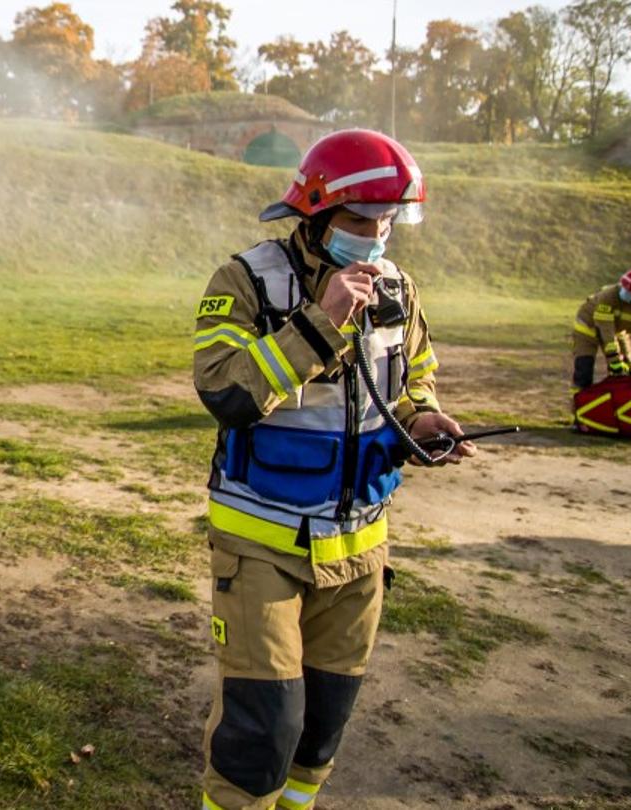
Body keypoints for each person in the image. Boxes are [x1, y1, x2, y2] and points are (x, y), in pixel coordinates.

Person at [192, 129, 474, 810]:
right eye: (359, 221)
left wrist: (425, 421)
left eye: (386, 222)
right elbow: (224, 391)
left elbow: (412, 382)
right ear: (314, 215)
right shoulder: (248, 280)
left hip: (360, 551)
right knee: (263, 731)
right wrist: (319, 324)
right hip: (262, 543)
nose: (375, 237)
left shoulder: (398, 289)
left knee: (319, 733)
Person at [571, 267, 631, 394]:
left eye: (630, 292)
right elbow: (606, 330)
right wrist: (614, 359)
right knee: (584, 369)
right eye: (624, 288)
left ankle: (618, 405)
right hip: (587, 328)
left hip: (617, 331)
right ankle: (578, 405)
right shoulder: (608, 296)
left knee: (626, 371)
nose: (623, 292)